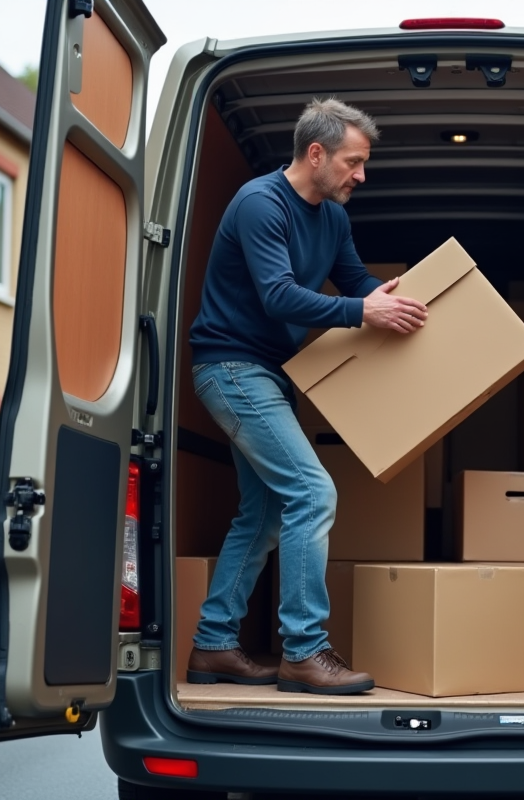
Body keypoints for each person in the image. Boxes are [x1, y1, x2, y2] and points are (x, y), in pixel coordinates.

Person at [185, 98, 429, 694]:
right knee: (312, 491)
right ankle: (304, 652)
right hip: (232, 369)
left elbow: (356, 285)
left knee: (266, 510)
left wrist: (396, 301)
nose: (361, 175)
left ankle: (213, 645)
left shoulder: (334, 218)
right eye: (353, 162)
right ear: (315, 153)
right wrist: (362, 310)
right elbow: (279, 296)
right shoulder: (260, 203)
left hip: (272, 374)